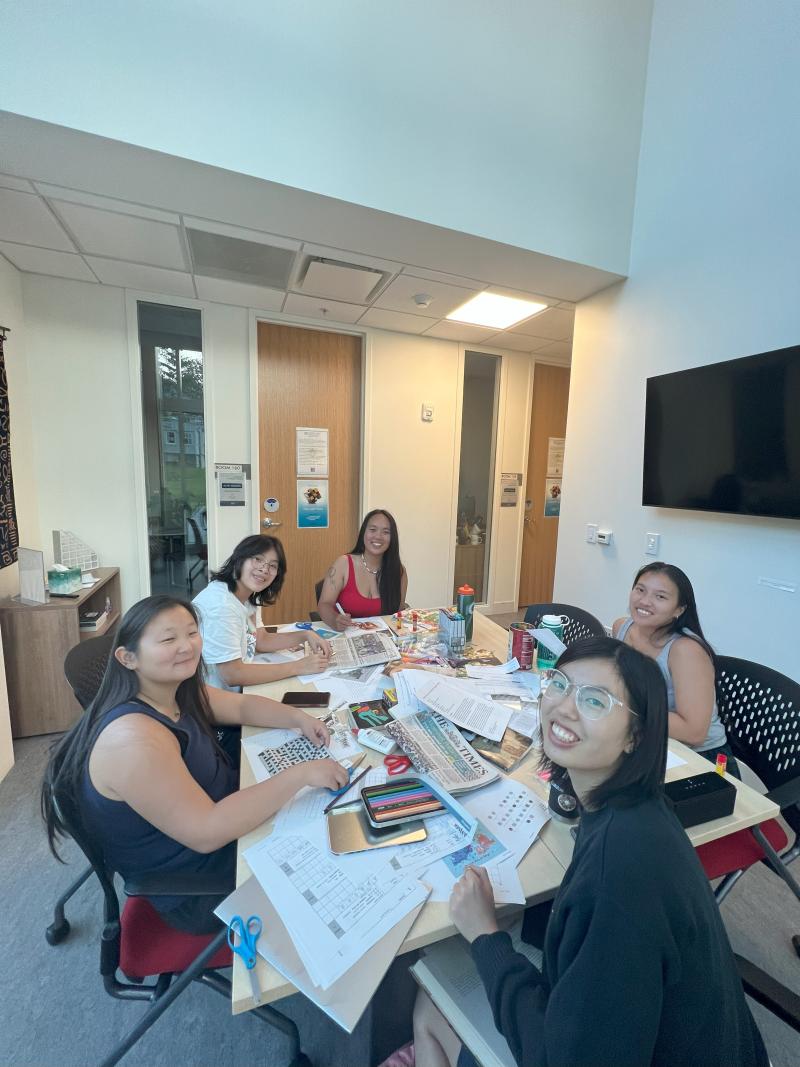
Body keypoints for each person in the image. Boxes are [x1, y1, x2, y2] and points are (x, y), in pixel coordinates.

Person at [412, 637, 768, 1067]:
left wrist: (486, 937)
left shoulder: (614, 878)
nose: (563, 708)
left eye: (595, 701)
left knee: (427, 1008)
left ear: (636, 736)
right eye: (559, 684)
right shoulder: (640, 807)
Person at [41, 595, 348, 934]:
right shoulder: (133, 741)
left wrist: (297, 718)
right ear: (128, 658)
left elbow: (241, 708)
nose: (187, 647)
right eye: (169, 639)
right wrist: (302, 774)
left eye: (191, 633)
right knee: (342, 860)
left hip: (220, 819)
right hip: (199, 884)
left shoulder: (170, 691)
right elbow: (206, 831)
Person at [612, 560, 737, 770]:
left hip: (700, 759)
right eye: (640, 590)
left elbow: (694, 732)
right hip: (647, 740)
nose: (645, 601)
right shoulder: (622, 628)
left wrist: (623, 711)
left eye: (660, 597)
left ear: (679, 609)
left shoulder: (685, 650)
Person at [193, 534, 332, 689]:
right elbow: (232, 674)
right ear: (239, 559)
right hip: (212, 700)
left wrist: (306, 635)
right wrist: (298, 667)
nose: (264, 569)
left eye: (272, 565)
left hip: (240, 690)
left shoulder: (245, 594)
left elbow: (261, 640)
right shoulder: (221, 606)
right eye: (257, 559)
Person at [317, 509, 408, 631]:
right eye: (372, 530)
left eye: (386, 532)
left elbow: (399, 611)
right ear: (363, 533)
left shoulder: (399, 572)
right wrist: (335, 619)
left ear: (393, 538)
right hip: (345, 634)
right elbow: (324, 604)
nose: (378, 536)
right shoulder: (343, 564)